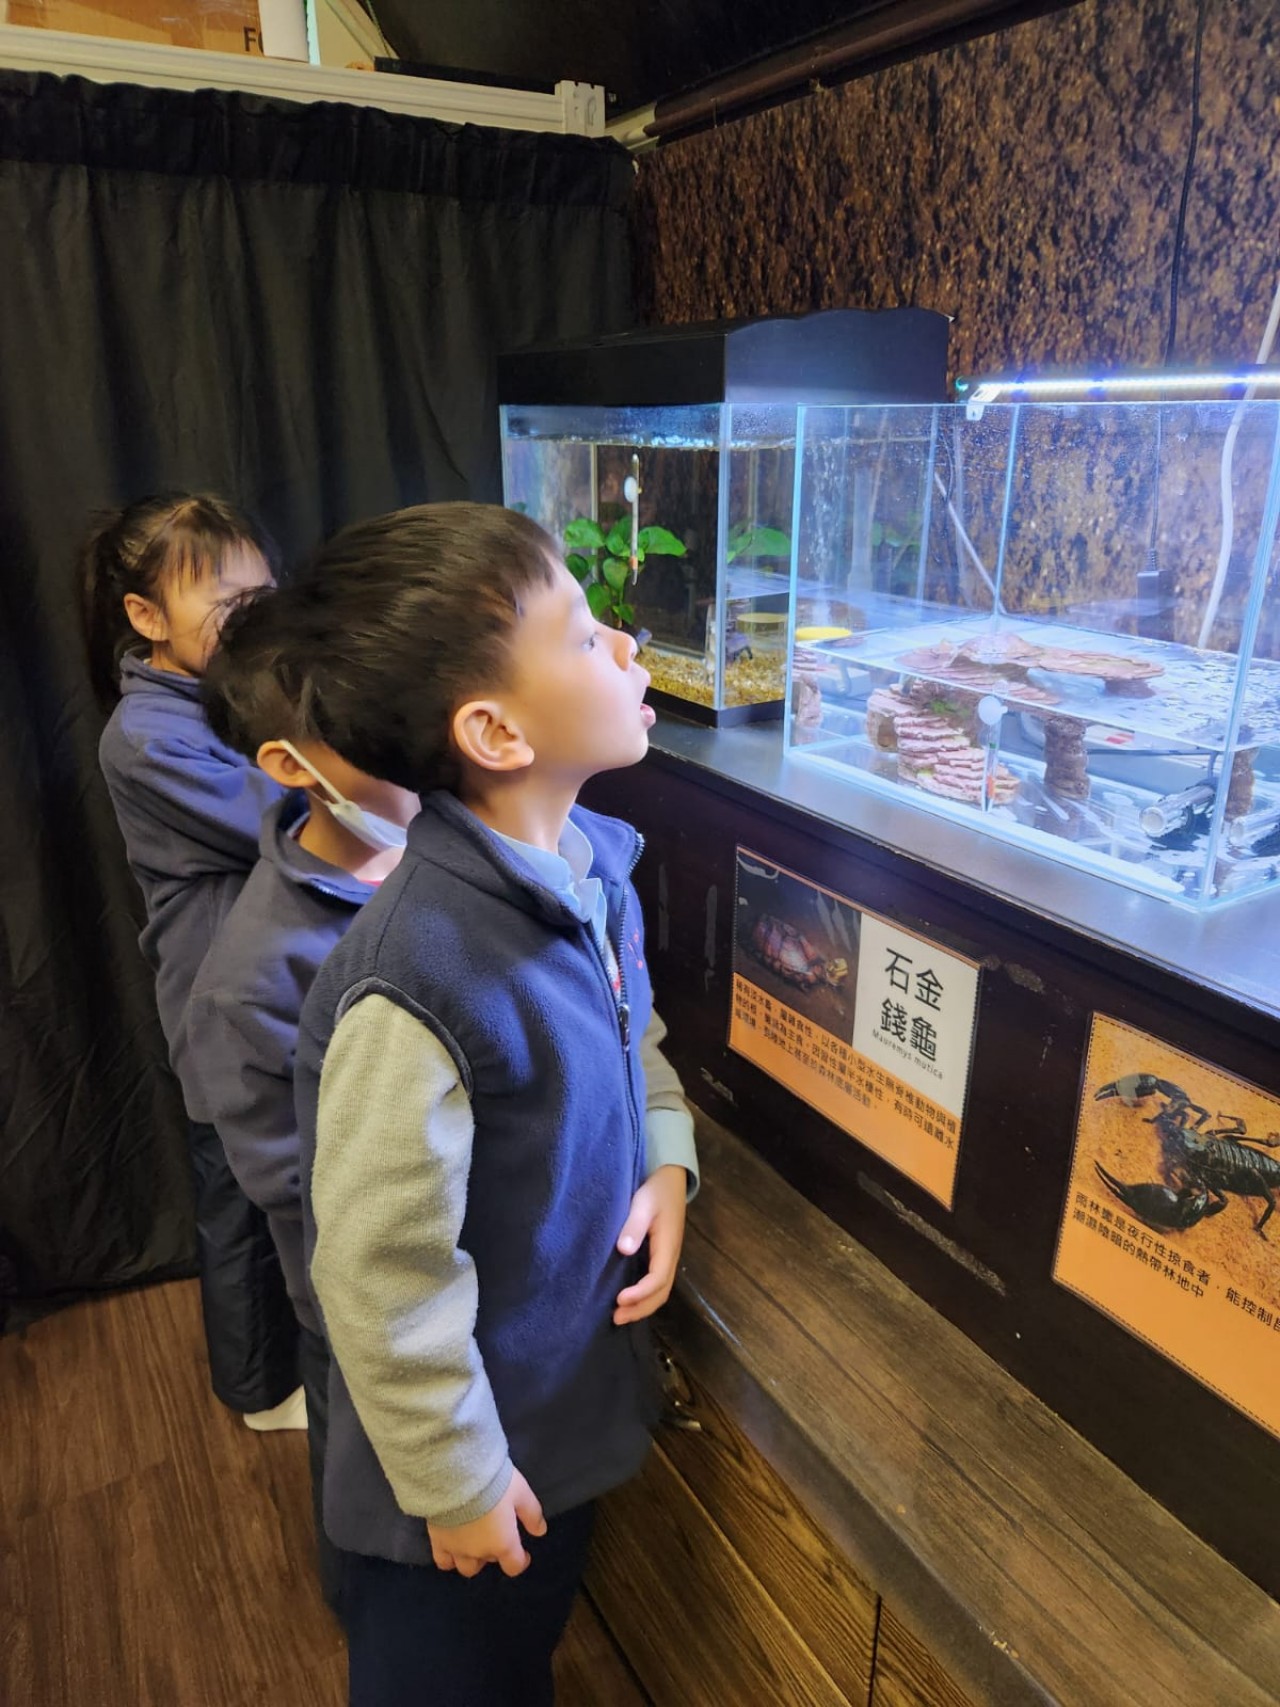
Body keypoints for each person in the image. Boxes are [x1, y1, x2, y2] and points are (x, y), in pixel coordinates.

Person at [289, 503, 698, 1705]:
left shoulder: (591, 867)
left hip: (550, 1422)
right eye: (580, 633)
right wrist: (454, 1477)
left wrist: (664, 1152)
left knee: (518, 1658)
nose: (623, 644)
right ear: (495, 731)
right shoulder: (417, 978)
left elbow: (630, 1030)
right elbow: (379, 1269)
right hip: (457, 1476)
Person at [188, 587, 420, 1608]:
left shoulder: (434, 849)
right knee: (365, 1486)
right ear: (290, 766)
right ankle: (354, 1595)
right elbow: (289, 1177)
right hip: (357, 1299)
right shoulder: (254, 973)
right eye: (378, 733)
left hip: (452, 1285)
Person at [79, 493, 301, 1427]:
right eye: (225, 604)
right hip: (222, 1009)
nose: (251, 619)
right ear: (146, 615)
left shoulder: (228, 692)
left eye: (262, 597)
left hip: (277, 995)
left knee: (281, 1187)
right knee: (239, 1201)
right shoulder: (144, 737)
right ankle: (257, 1393)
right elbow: (283, 820)